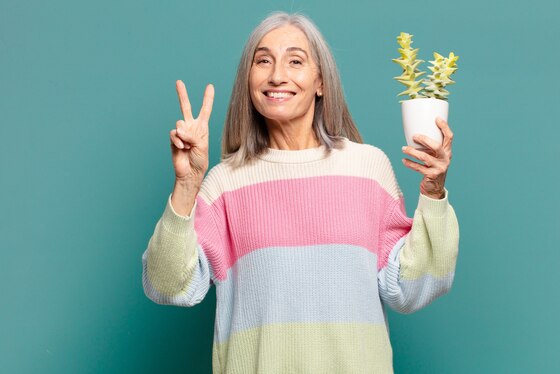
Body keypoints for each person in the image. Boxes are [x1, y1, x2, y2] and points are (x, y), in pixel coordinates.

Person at [142, 11, 459, 374]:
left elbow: (412, 288)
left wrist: (433, 192)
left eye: (295, 60)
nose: (277, 75)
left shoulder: (368, 168)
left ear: (320, 81)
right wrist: (187, 184)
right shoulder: (224, 183)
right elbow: (167, 285)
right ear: (249, 79)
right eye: (263, 61)